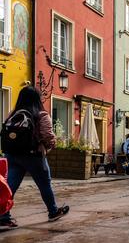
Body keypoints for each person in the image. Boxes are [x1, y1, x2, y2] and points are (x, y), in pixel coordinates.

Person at [0, 86, 69, 229]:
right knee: (44, 184)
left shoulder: (12, 114)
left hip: (12, 155)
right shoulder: (41, 114)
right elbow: (48, 136)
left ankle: (3, 217)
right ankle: (53, 211)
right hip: (33, 156)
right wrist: (49, 146)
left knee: (10, 187)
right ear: (37, 99)